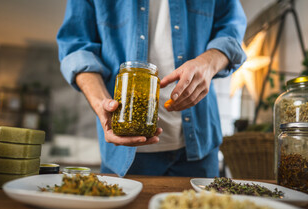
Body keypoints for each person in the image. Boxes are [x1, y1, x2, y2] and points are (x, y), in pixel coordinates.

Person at [57, 0, 247, 177]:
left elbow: (231, 30)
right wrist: (102, 104)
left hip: (200, 145)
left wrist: (208, 63)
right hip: (123, 155)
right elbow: (76, 46)